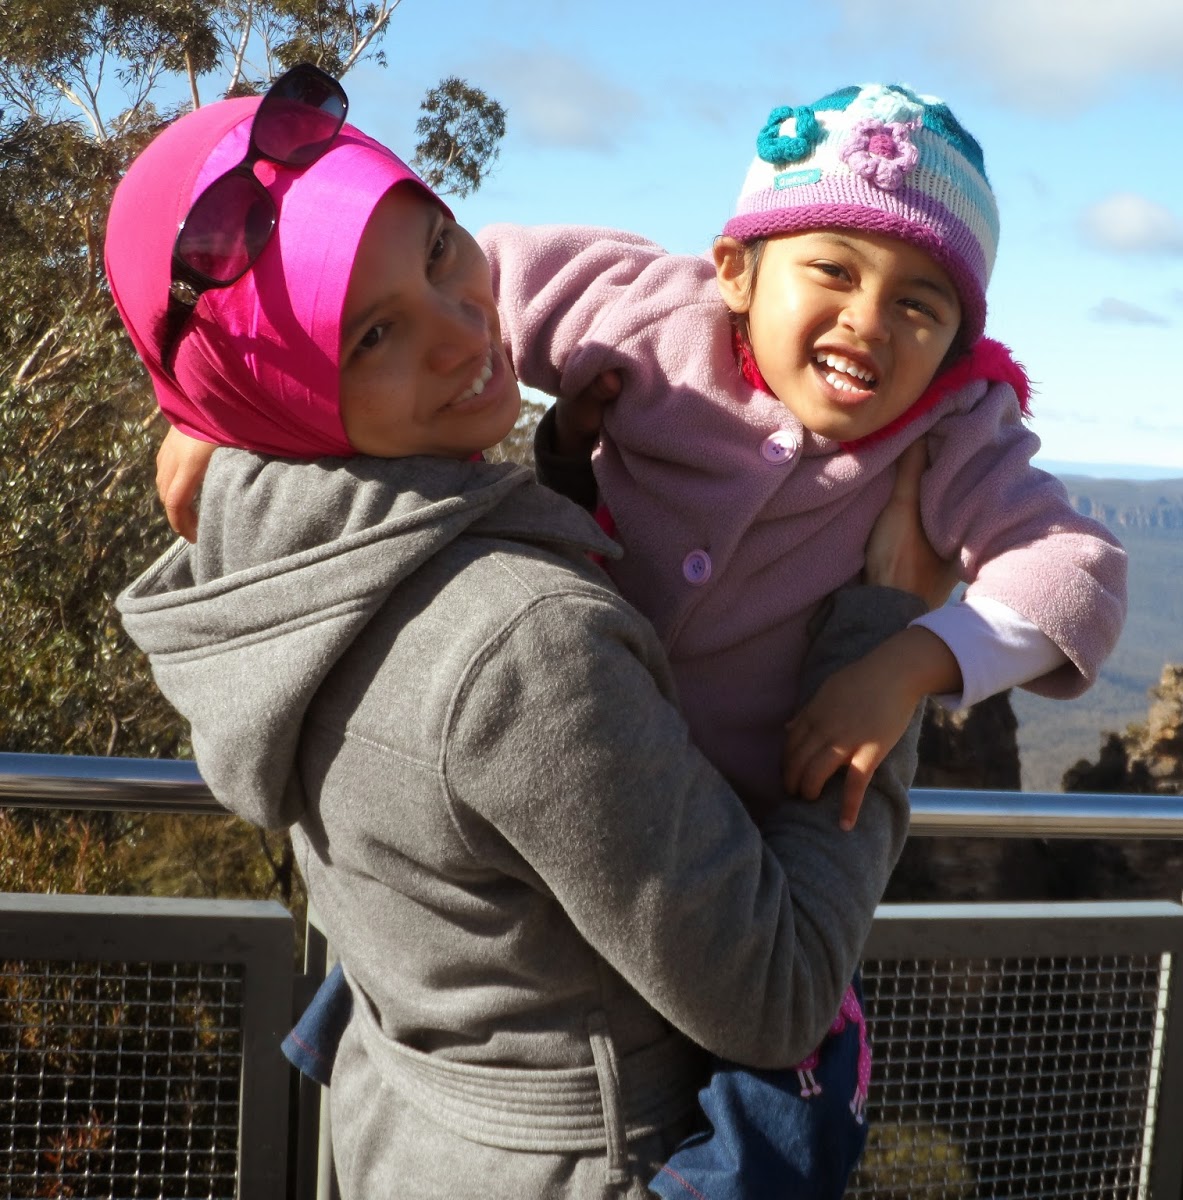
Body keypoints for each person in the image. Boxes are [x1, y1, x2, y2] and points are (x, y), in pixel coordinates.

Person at [154, 80, 1130, 1199]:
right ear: (736, 270)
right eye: (833, 269)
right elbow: (440, 285)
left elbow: (1080, 574)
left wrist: (905, 666)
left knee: (798, 1073)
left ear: (960, 340)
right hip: (585, 814)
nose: (870, 319)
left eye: (923, 302)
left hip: (742, 850)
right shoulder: (642, 307)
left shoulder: (952, 431)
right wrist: (218, 410)